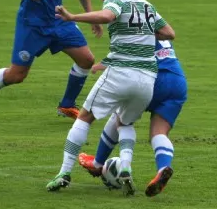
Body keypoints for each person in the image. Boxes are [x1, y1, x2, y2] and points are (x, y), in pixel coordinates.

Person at [46, 0, 175, 196]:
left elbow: (107, 16)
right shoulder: (145, 4)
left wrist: (73, 17)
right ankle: (125, 167)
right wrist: (141, 32)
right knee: (125, 123)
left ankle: (64, 173)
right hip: (147, 79)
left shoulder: (116, 0)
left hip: (120, 73)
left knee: (85, 116)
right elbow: (169, 33)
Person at [78, 39, 187, 197]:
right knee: (159, 132)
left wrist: (102, 65)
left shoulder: (139, 30)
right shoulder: (160, 29)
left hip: (153, 79)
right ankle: (163, 168)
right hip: (177, 80)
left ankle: (98, 163)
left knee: (121, 119)